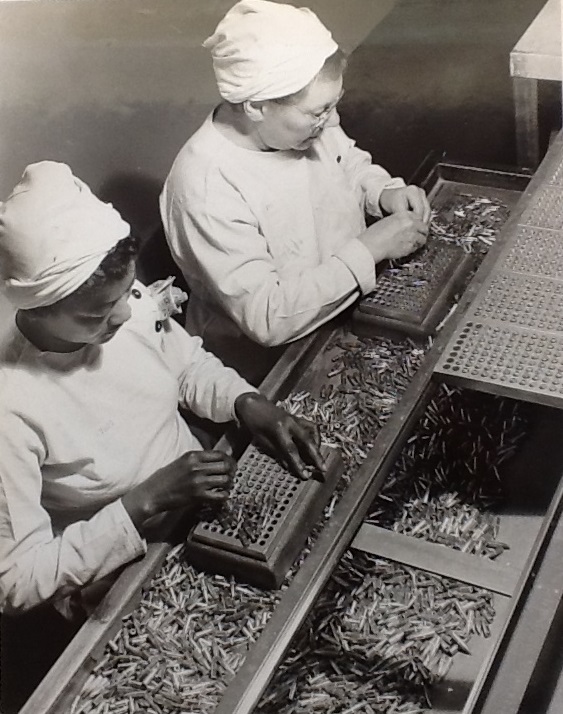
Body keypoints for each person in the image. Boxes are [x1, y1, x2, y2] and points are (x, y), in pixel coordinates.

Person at [0, 161, 325, 616]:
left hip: (202, 498)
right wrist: (144, 501)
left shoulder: (122, 310)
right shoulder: (11, 407)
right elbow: (15, 582)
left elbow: (185, 364)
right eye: (96, 314)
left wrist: (242, 400)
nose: (123, 317)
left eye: (126, 293)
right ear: (35, 310)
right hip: (120, 564)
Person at [160, 0, 431, 384]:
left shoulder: (302, 124)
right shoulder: (205, 187)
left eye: (333, 105)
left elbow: (346, 161)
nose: (332, 120)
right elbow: (267, 317)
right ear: (255, 106)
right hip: (271, 366)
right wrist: (372, 247)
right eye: (319, 112)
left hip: (346, 309)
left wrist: (382, 191)